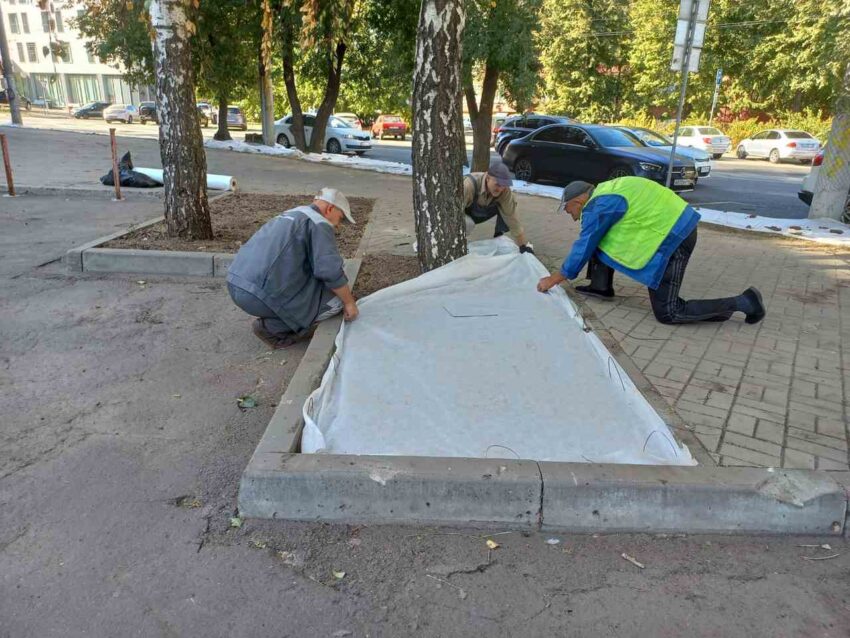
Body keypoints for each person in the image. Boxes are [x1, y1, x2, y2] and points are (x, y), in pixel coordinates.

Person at [537, 176, 766, 325]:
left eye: (567, 208)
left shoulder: (598, 206)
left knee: (669, 312)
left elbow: (584, 245)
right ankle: (601, 286)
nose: (568, 214)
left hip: (675, 237)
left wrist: (555, 278)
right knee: (598, 240)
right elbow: (593, 241)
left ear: (578, 200)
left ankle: (744, 302)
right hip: (676, 226)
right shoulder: (607, 191)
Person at [227, 187, 359, 349]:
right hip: (257, 296)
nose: (338, 226)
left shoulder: (292, 213)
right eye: (340, 218)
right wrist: (349, 302)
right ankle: (273, 328)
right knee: (335, 303)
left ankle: (279, 316)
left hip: (235, 282)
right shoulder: (319, 223)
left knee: (317, 287)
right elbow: (330, 271)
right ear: (330, 208)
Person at [464, 160, 535, 254]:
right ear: (488, 178)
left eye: (503, 185)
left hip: (480, 213)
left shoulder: (504, 191)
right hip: (463, 212)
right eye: (497, 184)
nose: (500, 189)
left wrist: (523, 247)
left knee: (509, 205)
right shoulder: (468, 186)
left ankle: (498, 237)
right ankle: (458, 245)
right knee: (468, 224)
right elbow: (451, 217)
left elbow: (512, 219)